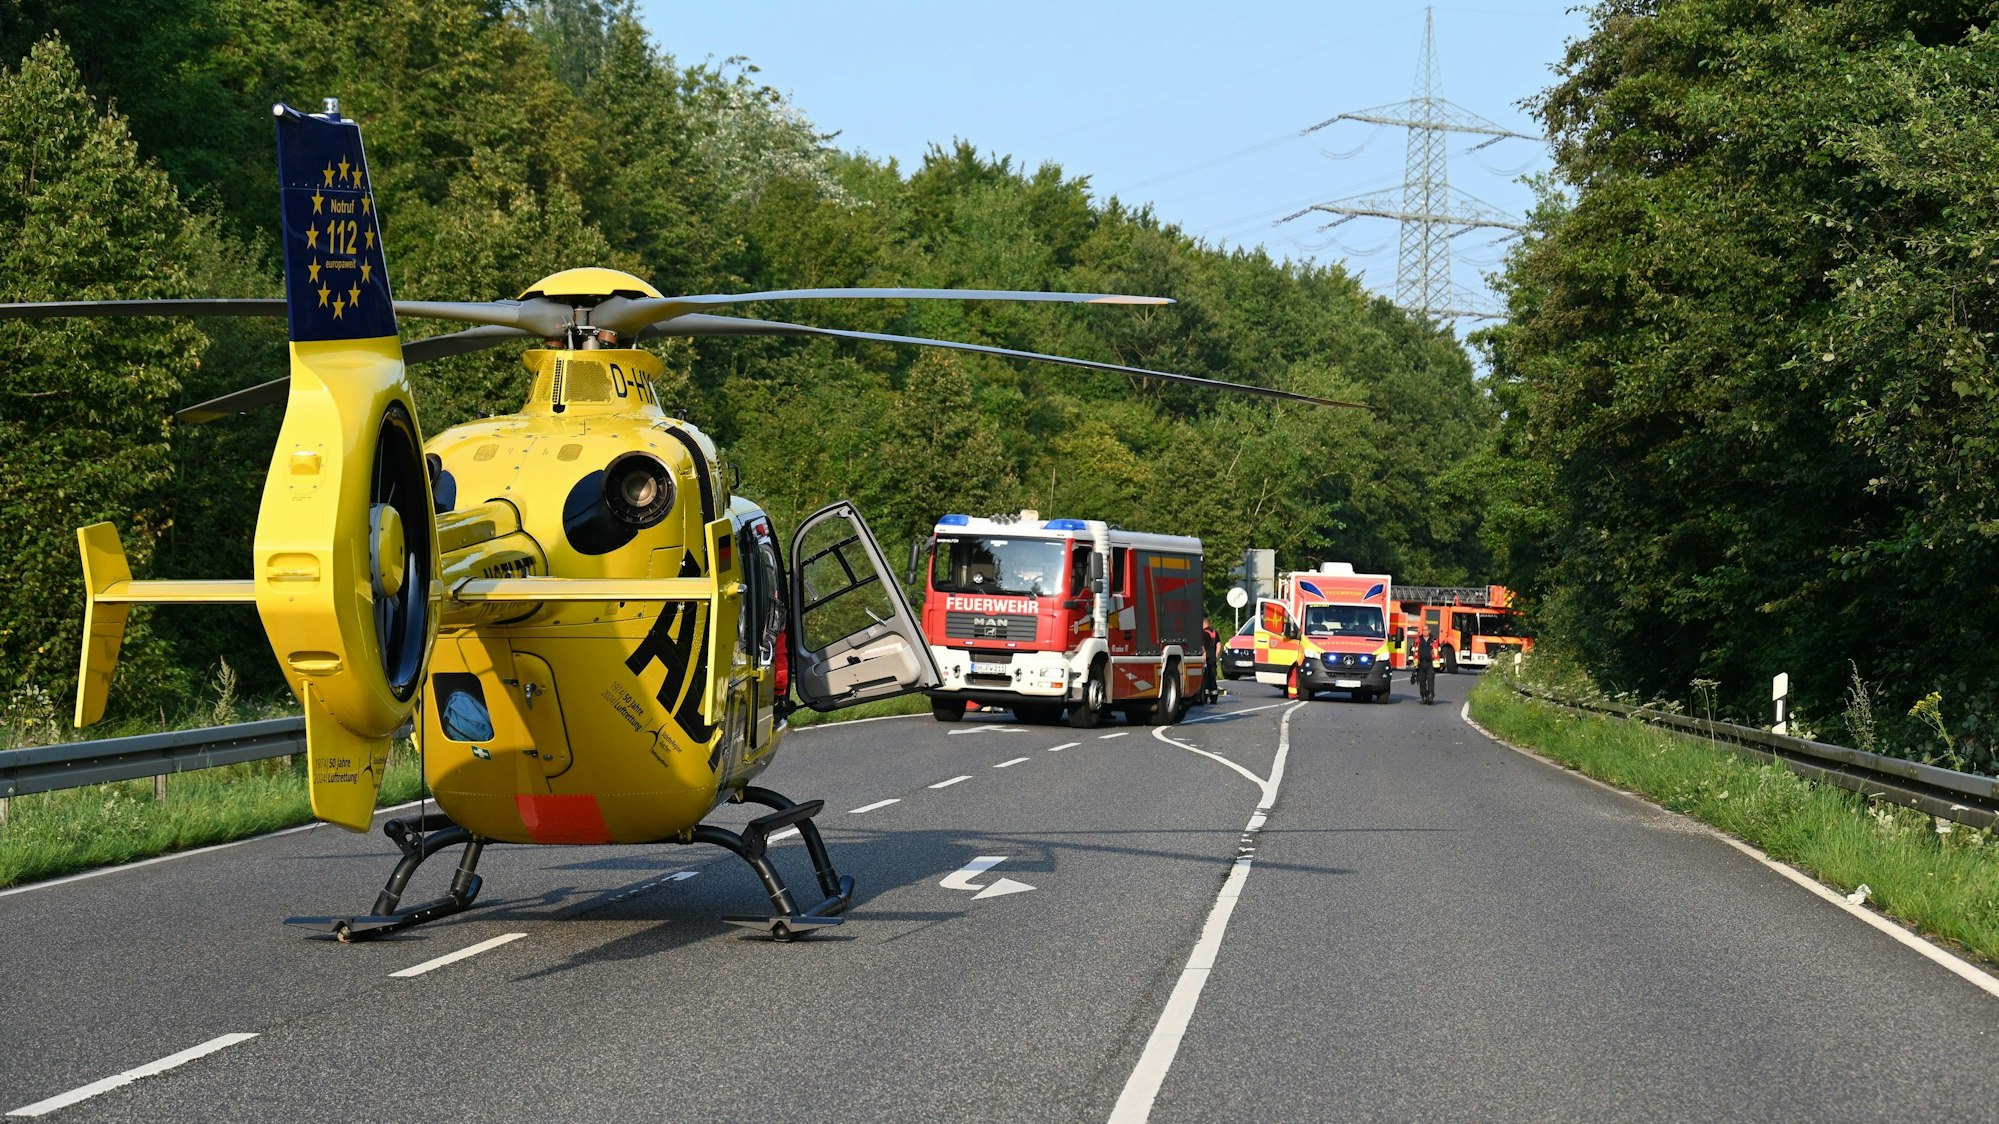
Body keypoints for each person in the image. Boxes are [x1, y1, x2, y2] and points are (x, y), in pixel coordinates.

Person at [1200, 615, 1222, 705]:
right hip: (1213, 657)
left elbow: (1202, 646)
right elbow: (1219, 644)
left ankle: (1204, 698)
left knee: (1205, 678)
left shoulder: (1203, 633)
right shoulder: (1214, 632)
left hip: (1207, 658)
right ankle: (1214, 699)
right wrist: (1216, 655)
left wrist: (1204, 654)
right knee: (1213, 677)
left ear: (1204, 623)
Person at [1414, 629, 1437, 705]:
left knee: (1431, 680)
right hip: (1421, 664)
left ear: (1429, 631)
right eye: (1423, 630)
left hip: (1430, 663)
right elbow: (1413, 650)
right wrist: (1413, 662)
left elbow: (1438, 651)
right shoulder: (1418, 640)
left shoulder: (1434, 640)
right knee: (1422, 681)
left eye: (1426, 630)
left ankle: (1430, 696)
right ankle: (1424, 696)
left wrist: (1440, 664)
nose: (1425, 631)